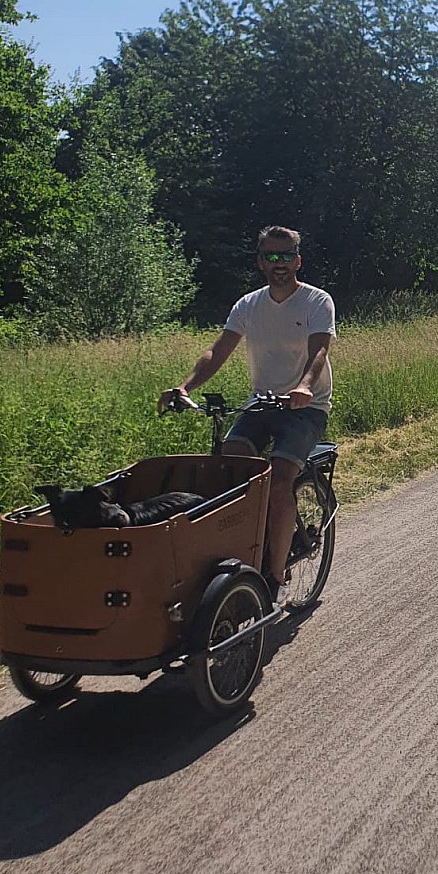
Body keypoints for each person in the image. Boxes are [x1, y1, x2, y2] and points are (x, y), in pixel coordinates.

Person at [159, 226, 336, 601]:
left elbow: (319, 350)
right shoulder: (248, 305)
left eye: (286, 255)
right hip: (262, 403)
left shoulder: (316, 301)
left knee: (280, 479)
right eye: (271, 256)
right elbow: (217, 351)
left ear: (298, 261)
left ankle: (274, 575)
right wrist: (184, 387)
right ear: (260, 262)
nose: (279, 263)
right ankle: (246, 546)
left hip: (306, 407)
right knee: (230, 468)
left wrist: (305, 386)